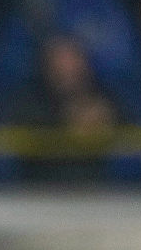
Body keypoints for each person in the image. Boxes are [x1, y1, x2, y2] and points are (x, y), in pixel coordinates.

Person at [11, 34, 120, 182]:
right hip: (42, 190)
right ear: (47, 67)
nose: (67, 69)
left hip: (103, 191)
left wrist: (110, 121)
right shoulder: (29, 101)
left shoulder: (106, 97)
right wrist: (66, 123)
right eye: (59, 61)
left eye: (72, 60)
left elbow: (133, 131)